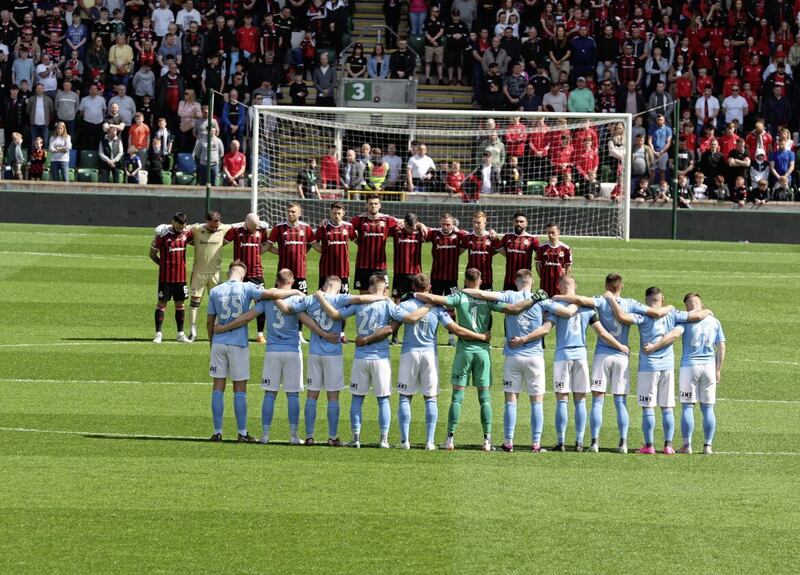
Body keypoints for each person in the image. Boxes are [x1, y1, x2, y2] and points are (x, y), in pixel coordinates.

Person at [554, 273, 675, 453]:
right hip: (622, 356)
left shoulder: (601, 300)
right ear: (622, 286)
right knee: (620, 401)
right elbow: (656, 312)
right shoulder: (631, 303)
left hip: (602, 354)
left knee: (597, 401)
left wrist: (559, 296)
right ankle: (623, 443)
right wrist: (671, 306)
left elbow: (579, 299)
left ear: (606, 285)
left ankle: (594, 443)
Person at [390, 273, 492, 449]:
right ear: (429, 288)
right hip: (430, 354)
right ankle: (430, 442)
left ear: (414, 288)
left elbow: (393, 326)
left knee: (405, 398)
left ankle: (404, 441)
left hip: (409, 353)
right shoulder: (437, 309)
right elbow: (455, 329)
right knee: (431, 399)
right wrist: (481, 336)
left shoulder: (406, 305)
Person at [605, 287, 712, 454]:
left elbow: (622, 317)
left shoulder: (642, 315)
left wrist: (611, 299)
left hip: (648, 366)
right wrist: (708, 310)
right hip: (667, 366)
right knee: (667, 407)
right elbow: (696, 316)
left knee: (648, 408)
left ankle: (649, 446)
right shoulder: (674, 313)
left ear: (647, 301)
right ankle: (668, 446)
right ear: (662, 299)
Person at [316, 274, 416, 448]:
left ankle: (356, 438)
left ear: (369, 287)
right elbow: (409, 318)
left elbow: (335, 315)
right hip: (380, 358)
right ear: (384, 288)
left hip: (360, 358)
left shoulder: (359, 303)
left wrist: (321, 297)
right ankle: (384, 440)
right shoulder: (387, 303)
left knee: (357, 398)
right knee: (383, 399)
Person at [205, 260, 299, 442]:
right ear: (243, 275)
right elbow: (272, 294)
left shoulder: (215, 291)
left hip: (218, 342)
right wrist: (294, 291)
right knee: (239, 389)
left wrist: (212, 341)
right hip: (238, 343)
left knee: (218, 388)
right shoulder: (248, 287)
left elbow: (209, 321)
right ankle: (242, 433)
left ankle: (217, 432)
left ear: (228, 274)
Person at [414, 268, 503, 452]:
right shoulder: (487, 297)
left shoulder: (459, 297)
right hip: (483, 352)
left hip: (464, 351)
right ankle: (487, 441)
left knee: (457, 398)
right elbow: (509, 307)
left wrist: (416, 293)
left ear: (465, 280)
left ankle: (449, 439)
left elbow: (436, 299)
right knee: (484, 398)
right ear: (480, 280)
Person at [224, 268, 316, 445]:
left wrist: (225, 327)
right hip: (292, 351)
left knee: (269, 394)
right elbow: (308, 320)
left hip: (272, 351)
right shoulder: (297, 299)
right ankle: (294, 436)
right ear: (292, 282)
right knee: (293, 396)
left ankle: (265, 436)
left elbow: (247, 317)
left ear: (277, 280)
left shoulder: (267, 300)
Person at [462, 270, 552, 452]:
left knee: (511, 400)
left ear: (515, 281)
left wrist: (463, 291)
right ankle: (536, 444)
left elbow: (482, 294)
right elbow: (563, 311)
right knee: (537, 401)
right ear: (531, 281)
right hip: (534, 356)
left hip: (513, 356)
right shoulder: (543, 300)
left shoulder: (509, 295)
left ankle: (508, 442)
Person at [538, 276, 629, 451]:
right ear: (575, 286)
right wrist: (620, 346)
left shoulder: (557, 307)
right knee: (580, 401)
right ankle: (579, 442)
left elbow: (546, 328)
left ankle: (561, 442)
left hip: (562, 355)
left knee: (562, 400)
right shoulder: (588, 309)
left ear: (559, 286)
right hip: (580, 356)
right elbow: (602, 333)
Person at [644, 293, 726, 455]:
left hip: (690, 367)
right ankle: (707, 446)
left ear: (687, 307)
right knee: (708, 408)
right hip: (709, 367)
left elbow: (673, 335)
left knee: (688, 407)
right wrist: (718, 369)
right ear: (700, 303)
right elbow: (722, 346)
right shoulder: (714, 322)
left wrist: (655, 346)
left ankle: (687, 446)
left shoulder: (685, 321)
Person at [224, 213, 271, 342]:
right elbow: (221, 241)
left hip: (256, 273)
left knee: (261, 303)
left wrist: (281, 252)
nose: (253, 229)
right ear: (245, 222)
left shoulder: (261, 231)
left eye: (255, 227)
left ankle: (260, 334)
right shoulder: (235, 231)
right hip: (239, 274)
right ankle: (235, 330)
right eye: (251, 227)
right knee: (237, 303)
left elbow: (266, 245)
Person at [149, 212, 193, 344]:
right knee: (161, 304)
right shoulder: (162, 235)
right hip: (165, 278)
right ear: (172, 222)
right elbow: (152, 254)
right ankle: (158, 334)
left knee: (180, 305)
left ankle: (180, 334)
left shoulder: (186, 234)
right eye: (178, 227)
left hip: (180, 278)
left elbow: (198, 235)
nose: (180, 230)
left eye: (182, 227)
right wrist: (162, 265)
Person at [350, 195, 399, 293]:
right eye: (371, 203)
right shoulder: (359, 219)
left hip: (380, 265)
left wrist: (420, 224)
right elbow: (344, 226)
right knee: (364, 295)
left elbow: (403, 222)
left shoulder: (387, 219)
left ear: (379, 205)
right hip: (362, 264)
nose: (373, 206)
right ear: (366, 205)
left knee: (384, 293)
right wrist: (357, 241)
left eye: (376, 203)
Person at [498, 212, 539, 291]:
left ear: (526, 224)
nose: (518, 223)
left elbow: (540, 255)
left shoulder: (532, 239)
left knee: (524, 302)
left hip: (525, 280)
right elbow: (498, 249)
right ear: (513, 223)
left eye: (521, 222)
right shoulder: (507, 237)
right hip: (509, 280)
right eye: (516, 221)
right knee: (508, 303)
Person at [459, 211, 500, 290]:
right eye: (474, 222)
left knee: (487, 301)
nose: (476, 225)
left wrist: (491, 253)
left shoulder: (491, 237)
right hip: (471, 277)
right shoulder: (468, 238)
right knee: (469, 301)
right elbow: (457, 252)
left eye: (479, 222)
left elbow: (503, 251)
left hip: (486, 277)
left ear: (485, 223)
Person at [535, 222, 572, 297]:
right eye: (548, 233)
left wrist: (564, 279)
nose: (550, 235)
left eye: (553, 232)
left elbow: (569, 265)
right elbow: (538, 265)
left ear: (558, 232)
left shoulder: (566, 248)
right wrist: (542, 277)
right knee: (544, 303)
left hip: (559, 284)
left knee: (558, 304)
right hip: (545, 283)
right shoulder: (541, 248)